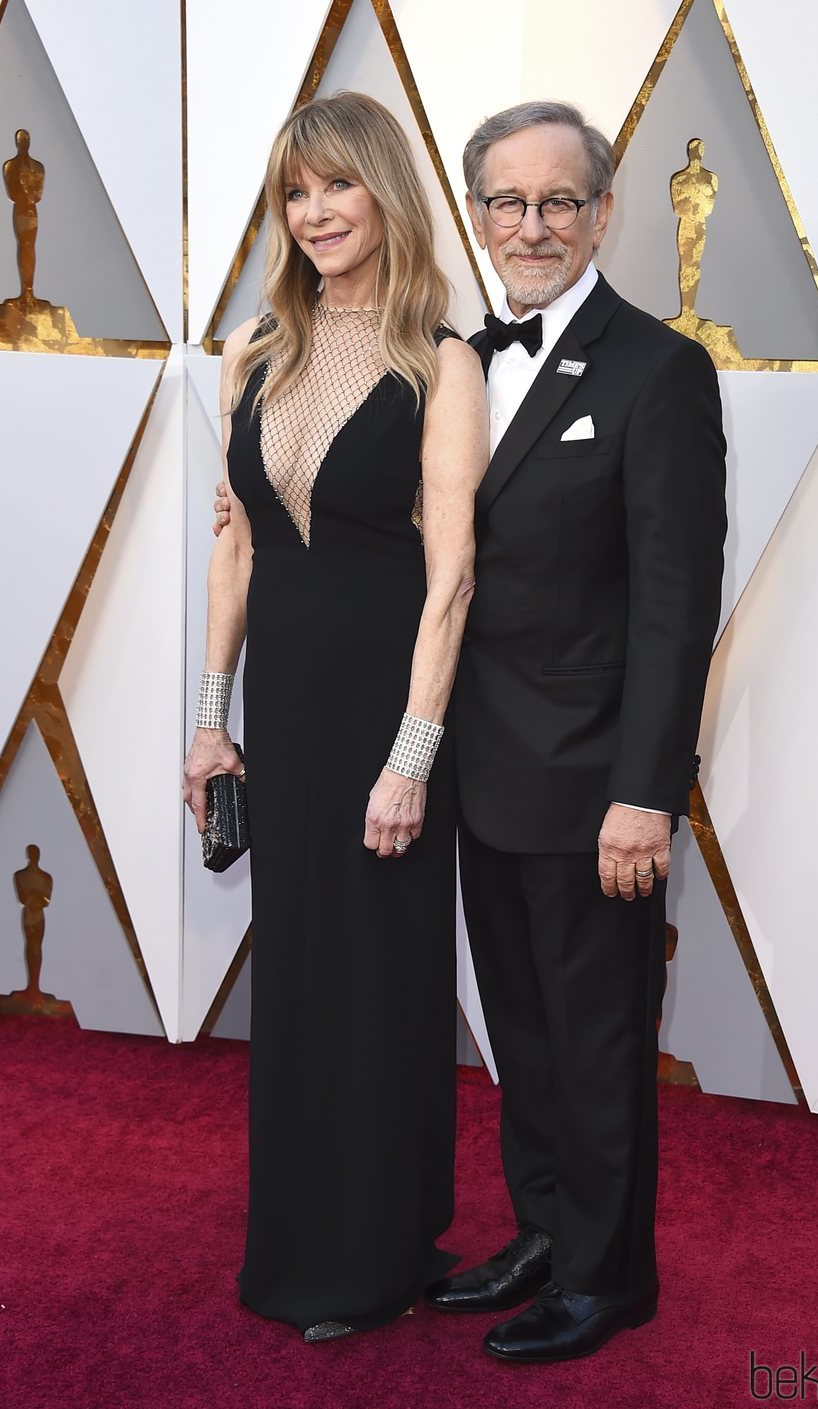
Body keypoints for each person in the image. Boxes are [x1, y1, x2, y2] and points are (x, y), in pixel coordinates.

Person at [215, 99, 726, 1364]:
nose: (531, 225)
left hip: (592, 778)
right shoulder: (473, 352)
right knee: (522, 1033)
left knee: (598, 1039)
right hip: (479, 768)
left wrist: (645, 790)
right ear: (475, 213)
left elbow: (674, 606)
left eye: (558, 202)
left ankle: (608, 1278)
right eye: (506, 202)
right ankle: (545, 1232)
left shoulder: (660, 370)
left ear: (603, 213)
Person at [184, 90, 488, 1343]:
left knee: (381, 982)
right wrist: (210, 717)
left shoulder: (442, 362)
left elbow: (453, 573)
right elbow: (236, 547)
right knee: (303, 981)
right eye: (293, 192)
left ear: (383, 195)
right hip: (287, 714)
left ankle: (373, 1253)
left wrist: (411, 755)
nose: (312, 213)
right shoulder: (254, 346)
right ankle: (307, 1238)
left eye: (335, 187)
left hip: (387, 711)